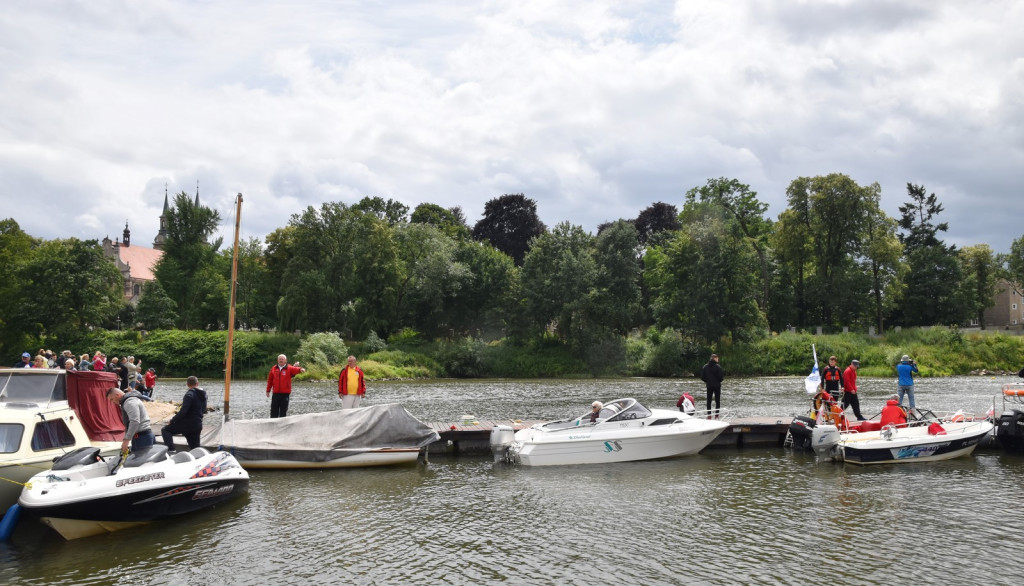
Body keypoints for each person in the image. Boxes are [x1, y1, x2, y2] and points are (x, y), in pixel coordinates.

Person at [161, 376, 208, 451]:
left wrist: (172, 420)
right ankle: (199, 457)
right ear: (197, 384)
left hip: (187, 424)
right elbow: (203, 409)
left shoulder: (189, 395)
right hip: (197, 424)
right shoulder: (204, 395)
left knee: (165, 430)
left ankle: (171, 451)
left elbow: (183, 411)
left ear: (187, 384)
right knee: (195, 449)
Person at [106, 387, 155, 452]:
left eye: (112, 399)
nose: (113, 402)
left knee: (140, 458)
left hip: (143, 437)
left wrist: (126, 440)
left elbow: (135, 421)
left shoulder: (129, 402)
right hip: (141, 436)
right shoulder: (129, 400)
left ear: (117, 395)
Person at [700, 353, 724, 418]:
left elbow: (702, 377)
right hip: (717, 386)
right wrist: (718, 381)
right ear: (714, 358)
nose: (718, 359)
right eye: (717, 358)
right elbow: (721, 377)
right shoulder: (718, 367)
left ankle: (709, 416)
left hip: (709, 385)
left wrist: (707, 381)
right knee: (717, 401)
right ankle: (716, 416)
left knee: (709, 401)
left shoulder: (705, 366)